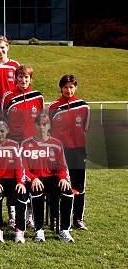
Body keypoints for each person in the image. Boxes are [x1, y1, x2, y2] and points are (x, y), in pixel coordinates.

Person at [21, 113, 75, 243]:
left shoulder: (56, 144)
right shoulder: (26, 144)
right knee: (37, 192)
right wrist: (33, 178)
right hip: (35, 179)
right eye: (39, 124)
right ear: (35, 125)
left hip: (53, 178)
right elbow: (23, 168)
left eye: (45, 124)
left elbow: (62, 166)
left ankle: (64, 230)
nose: (42, 127)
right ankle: (39, 230)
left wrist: (63, 179)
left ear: (49, 126)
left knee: (68, 193)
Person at [49, 74, 90, 231]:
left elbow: (85, 129)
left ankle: (78, 218)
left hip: (77, 152)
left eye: (71, 87)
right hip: (59, 153)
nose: (68, 90)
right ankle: (54, 218)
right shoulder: (54, 107)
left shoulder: (83, 106)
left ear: (76, 87)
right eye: (65, 87)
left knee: (78, 186)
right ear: (61, 88)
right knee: (56, 185)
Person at [0, 120, 28, 243]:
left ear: (7, 131)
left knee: (21, 194)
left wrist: (20, 182)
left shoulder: (14, 145)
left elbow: (20, 166)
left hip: (12, 181)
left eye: (2, 131)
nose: (0, 134)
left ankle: (19, 230)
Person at [1, 64, 44, 142]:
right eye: (20, 77)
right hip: (14, 140)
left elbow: (41, 119)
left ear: (31, 79)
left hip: (34, 140)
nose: (23, 80)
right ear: (16, 78)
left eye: (26, 77)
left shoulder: (38, 96)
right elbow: (4, 119)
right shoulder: (8, 97)